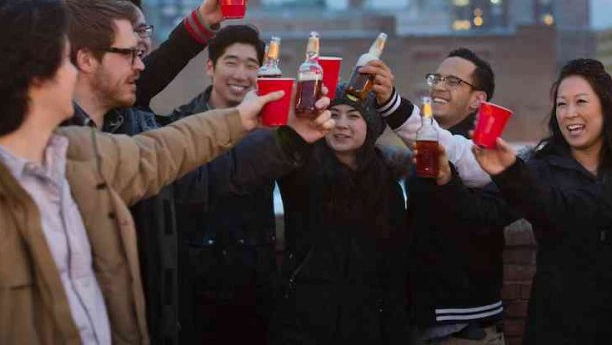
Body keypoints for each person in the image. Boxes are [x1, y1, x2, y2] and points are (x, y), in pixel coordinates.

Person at [0, 0, 333, 343]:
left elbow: (164, 151)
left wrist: (252, 120)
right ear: (31, 74)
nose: (139, 63)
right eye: (64, 59)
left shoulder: (75, 152)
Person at [469, 58, 612, 343]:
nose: (569, 113)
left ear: (606, 106)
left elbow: (577, 209)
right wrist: (442, 177)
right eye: (562, 104)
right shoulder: (540, 166)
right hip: (558, 323)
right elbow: (482, 214)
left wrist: (515, 174)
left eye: (581, 102)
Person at [363, 49, 514, 343]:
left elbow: (481, 216)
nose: (440, 86)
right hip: (423, 321)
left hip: (466, 328)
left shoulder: (490, 152)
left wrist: (391, 102)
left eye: (454, 81)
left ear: (477, 100)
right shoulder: (426, 143)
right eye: (437, 77)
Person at [167, 25, 281, 343]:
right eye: (231, 62)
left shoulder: (272, 129)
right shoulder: (181, 124)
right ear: (210, 68)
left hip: (254, 285)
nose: (241, 74)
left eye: (251, 65)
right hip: (193, 285)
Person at [273, 86, 412, 344]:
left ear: (370, 125)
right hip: (307, 317)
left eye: (353, 116)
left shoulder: (386, 182)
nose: (341, 125)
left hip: (370, 319)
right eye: (334, 114)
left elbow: (395, 260)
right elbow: (276, 147)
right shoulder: (301, 172)